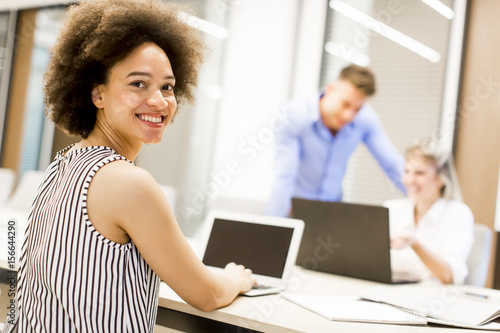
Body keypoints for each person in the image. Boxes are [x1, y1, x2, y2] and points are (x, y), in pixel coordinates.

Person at [5, 1, 255, 332]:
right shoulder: (128, 183)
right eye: (138, 83)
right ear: (97, 94)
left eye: (167, 86)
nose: (159, 101)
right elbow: (206, 294)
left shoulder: (63, 164)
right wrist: (234, 279)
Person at [266, 65, 406, 217]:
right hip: (294, 210)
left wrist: (430, 201)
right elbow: (285, 176)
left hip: (332, 213)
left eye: (357, 108)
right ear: (330, 90)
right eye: (345, 104)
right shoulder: (295, 115)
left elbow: (393, 167)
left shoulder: (366, 120)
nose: (348, 115)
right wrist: (274, 227)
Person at [384, 138, 474, 284]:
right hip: (389, 289)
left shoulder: (458, 214)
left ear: (441, 178)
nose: (410, 180)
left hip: (431, 297)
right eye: (407, 171)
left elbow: (448, 276)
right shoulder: (391, 209)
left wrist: (415, 244)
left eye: (419, 173)